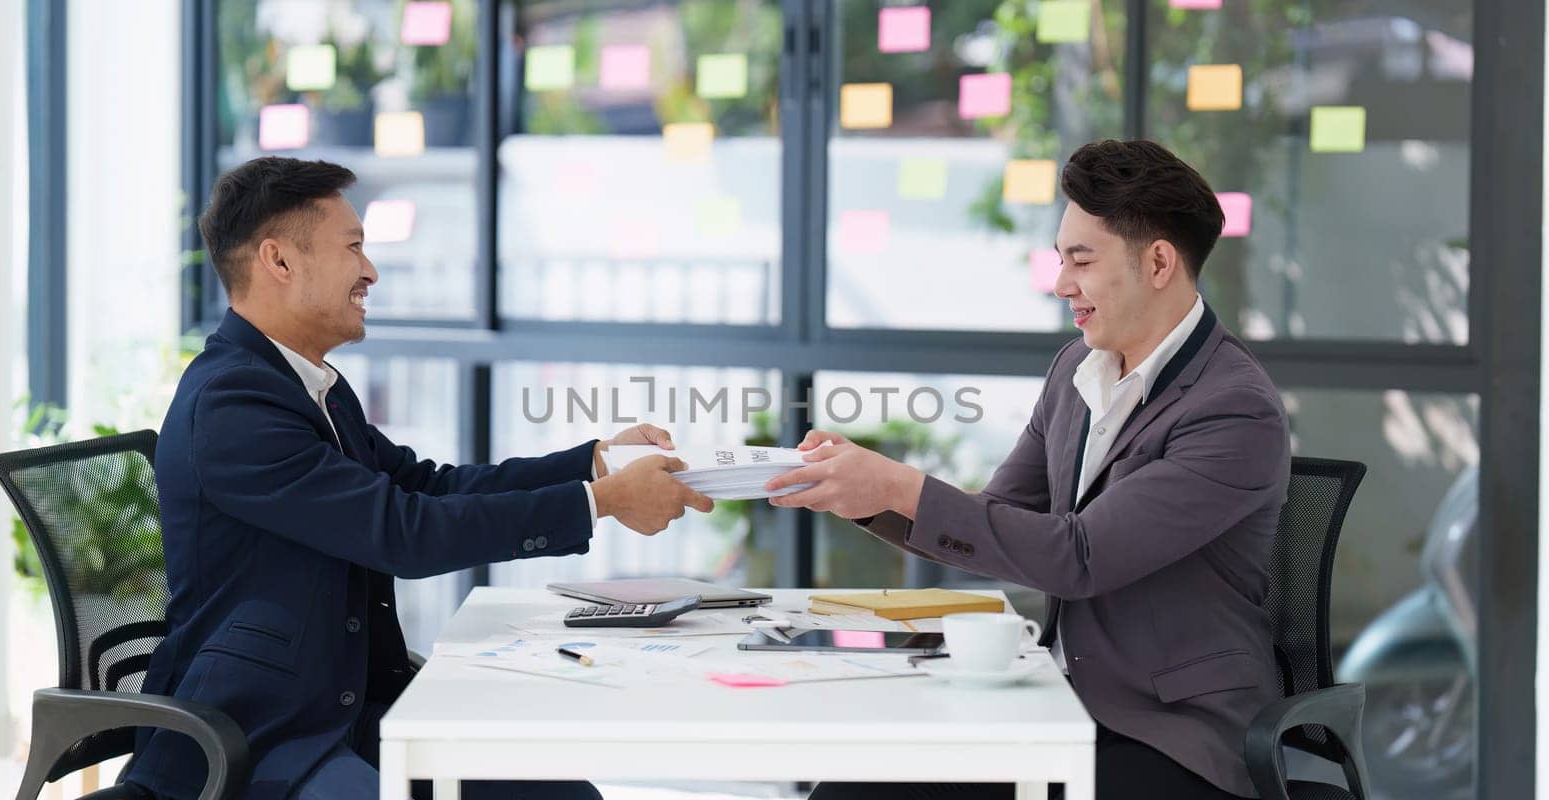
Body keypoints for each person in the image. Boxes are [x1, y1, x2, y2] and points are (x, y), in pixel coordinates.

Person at [125, 157, 713, 800]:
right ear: (280, 261)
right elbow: (402, 533)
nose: (370, 271)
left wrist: (591, 464)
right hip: (261, 740)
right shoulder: (232, 405)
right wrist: (598, 504)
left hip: (347, 716)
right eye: (353, 247)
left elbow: (426, 488)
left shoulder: (309, 386)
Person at [767, 140, 1289, 800]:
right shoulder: (1076, 370)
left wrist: (898, 484)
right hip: (1061, 703)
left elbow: (1078, 556)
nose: (1061, 282)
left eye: (1082, 260)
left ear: (1159, 262)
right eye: (1059, 259)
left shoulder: (1234, 410)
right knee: (855, 787)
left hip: (1172, 735)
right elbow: (998, 516)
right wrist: (860, 497)